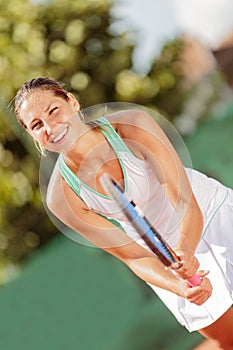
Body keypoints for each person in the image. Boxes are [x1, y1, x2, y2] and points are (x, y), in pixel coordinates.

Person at [14, 77, 233, 349]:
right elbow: (133, 255)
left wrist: (186, 248)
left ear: (72, 102)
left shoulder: (133, 125)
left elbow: (182, 197)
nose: (50, 127)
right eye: (36, 125)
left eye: (53, 110)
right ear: (35, 138)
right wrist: (178, 285)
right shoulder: (61, 198)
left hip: (211, 213)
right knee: (228, 339)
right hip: (161, 260)